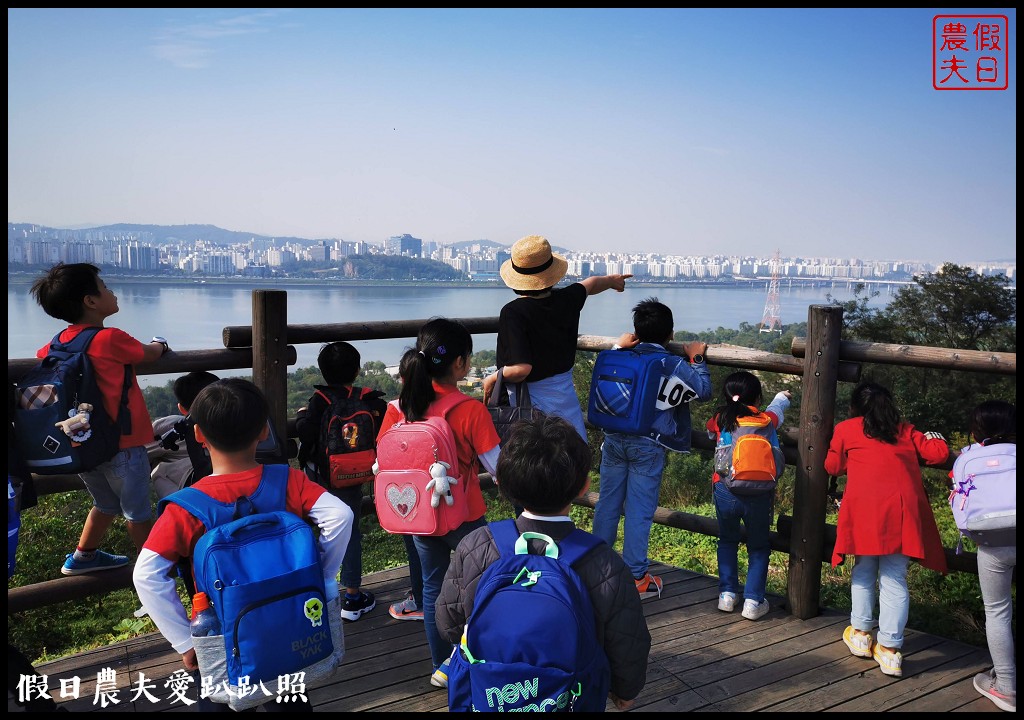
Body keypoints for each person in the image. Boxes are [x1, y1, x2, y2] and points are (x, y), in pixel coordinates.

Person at [133, 378, 353, 711]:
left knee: (221, 699)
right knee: (289, 695)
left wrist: (183, 640)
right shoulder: (287, 480)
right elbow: (340, 516)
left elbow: (147, 575)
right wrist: (320, 578)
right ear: (263, 432)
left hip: (219, 629)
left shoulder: (187, 506)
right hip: (287, 617)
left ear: (199, 436)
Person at [437, 414, 651, 710]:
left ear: (506, 485)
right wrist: (625, 691)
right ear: (583, 486)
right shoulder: (602, 563)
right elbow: (627, 642)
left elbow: (448, 624)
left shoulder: (478, 545)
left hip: (489, 694)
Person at [378, 318, 501, 688]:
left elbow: (384, 462)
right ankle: (469, 659)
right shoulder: (469, 410)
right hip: (464, 516)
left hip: (420, 518)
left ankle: (440, 662)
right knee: (484, 586)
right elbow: (498, 467)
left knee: (432, 588)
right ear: (461, 364)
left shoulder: (399, 408)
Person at [29, 262, 170, 574]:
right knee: (137, 512)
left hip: (84, 443)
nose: (111, 291)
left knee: (105, 504)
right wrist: (161, 343)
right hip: (123, 444)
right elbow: (148, 354)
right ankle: (154, 572)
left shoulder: (57, 342)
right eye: (104, 286)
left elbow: (42, 357)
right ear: (90, 301)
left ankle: (83, 556)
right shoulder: (109, 339)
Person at [825, 381, 949, 679]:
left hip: (865, 512)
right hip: (903, 513)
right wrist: (933, 435)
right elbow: (939, 454)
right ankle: (890, 650)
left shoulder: (846, 429)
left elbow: (832, 466)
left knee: (864, 570)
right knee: (894, 579)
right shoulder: (905, 430)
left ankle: (861, 633)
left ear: (855, 407)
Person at [591, 297, 711, 600]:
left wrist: (620, 345)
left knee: (607, 504)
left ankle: (596, 571)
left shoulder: (621, 353)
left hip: (614, 439)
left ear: (636, 331)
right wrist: (696, 358)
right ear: (670, 334)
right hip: (648, 444)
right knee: (640, 512)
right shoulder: (669, 362)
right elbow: (704, 391)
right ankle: (635, 578)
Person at [482, 235, 632, 440]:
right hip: (566, 398)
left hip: (532, 404)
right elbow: (590, 284)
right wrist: (613, 281)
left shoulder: (513, 312)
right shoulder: (568, 298)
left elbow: (520, 369)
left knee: (540, 459)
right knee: (571, 454)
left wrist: (492, 377)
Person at [295, 341, 387, 623]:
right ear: (357, 370)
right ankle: (353, 596)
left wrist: (301, 417)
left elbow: (306, 434)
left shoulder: (320, 402)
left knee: (312, 530)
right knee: (351, 533)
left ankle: (315, 591)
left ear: (323, 371)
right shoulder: (371, 401)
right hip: (357, 477)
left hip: (323, 478)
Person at [705, 371, 791, 621]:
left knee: (727, 540)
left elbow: (711, 434)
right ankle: (753, 601)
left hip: (726, 489)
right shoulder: (766, 419)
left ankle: (727, 595)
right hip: (760, 493)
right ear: (756, 397)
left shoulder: (721, 418)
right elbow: (777, 411)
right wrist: (781, 398)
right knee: (759, 546)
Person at [960, 400, 1016, 712]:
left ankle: (1005, 687)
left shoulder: (969, 456)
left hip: (991, 542)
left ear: (977, 429)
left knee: (997, 612)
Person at [147, 371, 220, 501]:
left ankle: (178, 507)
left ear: (181, 408)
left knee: (159, 469)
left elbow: (142, 452)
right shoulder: (231, 420)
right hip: (226, 473)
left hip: (195, 481)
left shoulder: (173, 425)